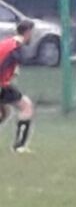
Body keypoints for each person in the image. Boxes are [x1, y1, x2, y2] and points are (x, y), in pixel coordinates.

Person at [0, 20, 37, 153]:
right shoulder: (15, 47)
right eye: (32, 33)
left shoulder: (7, 43)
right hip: (2, 84)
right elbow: (3, 65)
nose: (32, 36)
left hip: (3, 83)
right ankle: (20, 146)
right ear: (27, 33)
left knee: (5, 112)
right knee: (26, 106)